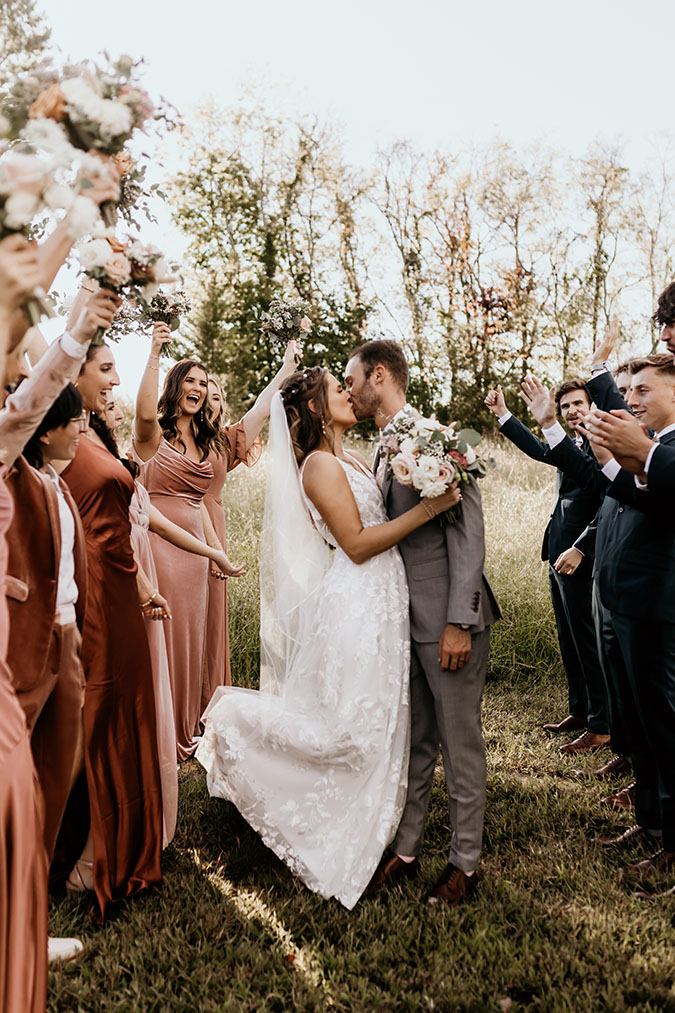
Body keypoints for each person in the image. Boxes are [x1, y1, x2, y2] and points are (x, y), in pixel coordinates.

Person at [198, 366, 461, 909]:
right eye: (337, 389)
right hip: (360, 600)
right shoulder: (317, 464)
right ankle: (264, 763)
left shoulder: (350, 456)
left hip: (383, 599)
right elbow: (359, 544)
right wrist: (431, 509)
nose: (348, 392)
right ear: (315, 409)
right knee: (348, 728)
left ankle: (376, 822)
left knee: (374, 718)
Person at [345, 340, 500, 908]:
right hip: (401, 622)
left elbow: (468, 533)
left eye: (352, 379)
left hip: (447, 622)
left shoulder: (439, 439)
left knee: (460, 746)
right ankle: (407, 850)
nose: (349, 390)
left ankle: (465, 864)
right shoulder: (383, 449)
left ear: (379, 376)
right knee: (416, 742)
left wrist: (461, 619)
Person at [524, 359, 675, 895]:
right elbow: (609, 484)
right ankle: (653, 822)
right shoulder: (647, 449)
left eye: (643, 389)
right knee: (641, 721)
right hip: (617, 597)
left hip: (655, 606)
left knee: (665, 728)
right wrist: (544, 424)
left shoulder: (665, 452)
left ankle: (669, 844)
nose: (631, 399)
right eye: (627, 389)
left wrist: (602, 379)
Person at [133, 324, 297, 759]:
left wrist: (283, 371)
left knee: (193, 636)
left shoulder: (210, 441)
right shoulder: (156, 434)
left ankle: (190, 720)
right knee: (164, 633)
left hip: (199, 548)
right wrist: (154, 352)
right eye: (190, 380)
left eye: (204, 384)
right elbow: (145, 414)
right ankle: (159, 720)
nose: (199, 388)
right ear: (175, 386)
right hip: (160, 544)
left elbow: (258, 414)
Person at [100, 397, 244, 847]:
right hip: (130, 577)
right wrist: (142, 581)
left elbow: (160, 523)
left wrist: (213, 550)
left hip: (153, 571)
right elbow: (117, 532)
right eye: (108, 405)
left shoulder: (129, 475)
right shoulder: (123, 465)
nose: (116, 407)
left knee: (157, 664)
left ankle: (158, 746)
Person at [55, 339, 164, 922]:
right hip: (92, 592)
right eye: (106, 369)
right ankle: (77, 859)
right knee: (95, 719)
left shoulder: (93, 433)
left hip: (122, 588)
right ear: (72, 372)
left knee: (127, 712)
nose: (115, 381)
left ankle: (117, 850)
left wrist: (144, 585)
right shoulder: (56, 437)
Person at [484, 379, 609, 754]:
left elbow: (609, 500)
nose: (572, 411)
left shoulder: (604, 446)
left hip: (581, 556)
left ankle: (602, 724)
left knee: (588, 640)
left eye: (577, 403)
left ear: (593, 404)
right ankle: (581, 711)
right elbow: (540, 451)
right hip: (557, 551)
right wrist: (504, 415)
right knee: (568, 637)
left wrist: (581, 547)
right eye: (565, 405)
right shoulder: (570, 445)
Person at [8, 384, 87, 865]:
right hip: (28, 638)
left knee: (61, 764)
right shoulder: (14, 477)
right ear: (42, 431)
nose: (80, 428)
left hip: (69, 635)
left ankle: (33, 885)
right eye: (71, 421)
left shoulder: (59, 483)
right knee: (15, 769)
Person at [202, 375, 261, 704]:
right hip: (182, 523)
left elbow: (260, 410)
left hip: (215, 522)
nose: (212, 403)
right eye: (205, 396)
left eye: (217, 397)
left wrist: (286, 366)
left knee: (212, 617)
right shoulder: (177, 438)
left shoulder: (225, 442)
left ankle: (209, 702)